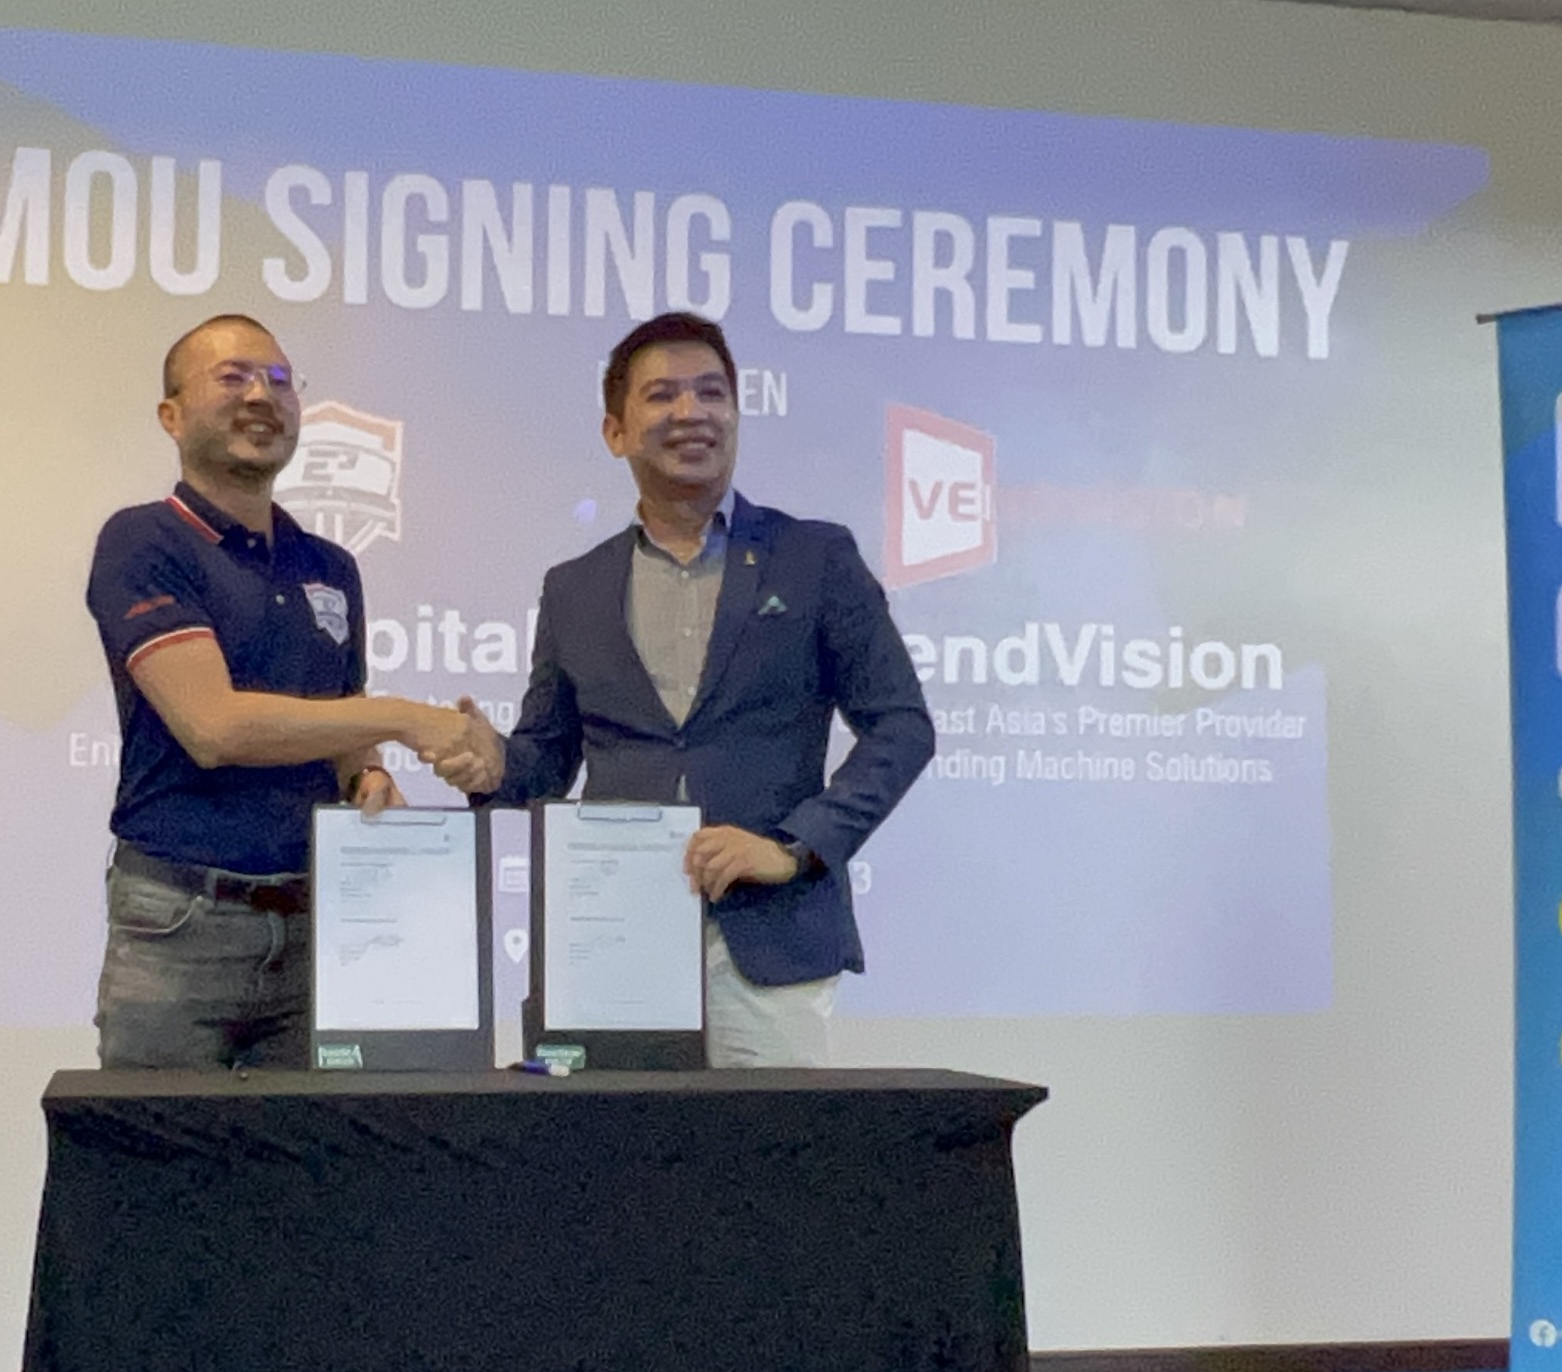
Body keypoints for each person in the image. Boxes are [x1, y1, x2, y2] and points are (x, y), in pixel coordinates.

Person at [437, 312, 934, 1068]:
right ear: (615, 430)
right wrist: (492, 765)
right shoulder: (575, 587)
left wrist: (795, 847)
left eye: (710, 392)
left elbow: (902, 727)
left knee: (771, 1175)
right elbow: (548, 758)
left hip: (767, 942)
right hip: (610, 944)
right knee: (622, 1180)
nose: (690, 412)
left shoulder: (814, 557)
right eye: (661, 395)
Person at [86, 313, 487, 1069]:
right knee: (164, 1178)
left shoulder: (330, 563)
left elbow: (340, 720)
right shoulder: (143, 541)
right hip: (179, 925)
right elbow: (214, 729)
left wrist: (365, 770)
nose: (260, 397)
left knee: (304, 1178)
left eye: (277, 381)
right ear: (171, 416)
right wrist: (407, 719)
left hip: (317, 930)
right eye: (230, 378)